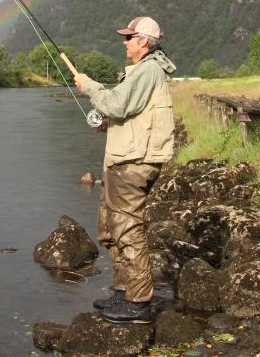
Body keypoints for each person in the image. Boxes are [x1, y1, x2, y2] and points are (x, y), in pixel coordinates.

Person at [73, 16, 176, 324]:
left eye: (129, 37)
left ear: (143, 41)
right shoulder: (142, 71)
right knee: (109, 229)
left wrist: (89, 85)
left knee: (128, 230)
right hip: (122, 160)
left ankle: (139, 302)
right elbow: (127, 113)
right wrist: (107, 123)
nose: (125, 42)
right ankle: (123, 291)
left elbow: (117, 104)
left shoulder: (148, 70)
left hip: (134, 163)